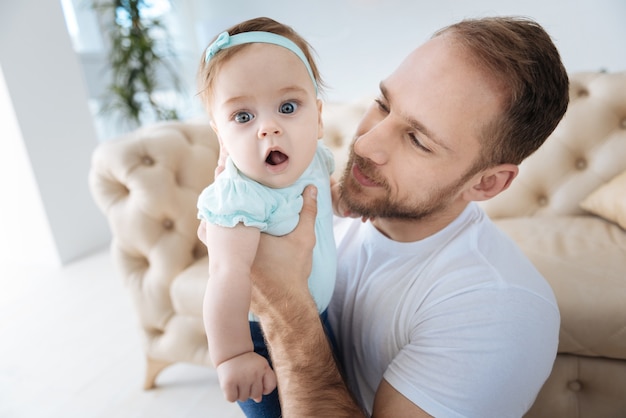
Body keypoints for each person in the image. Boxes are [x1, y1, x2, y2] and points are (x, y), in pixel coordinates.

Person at [200, 16, 569, 418]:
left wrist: (285, 305)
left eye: (417, 140)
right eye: (382, 104)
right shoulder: (316, 196)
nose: (365, 141)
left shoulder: (498, 312)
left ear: (487, 184)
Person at [195, 17, 337, 418]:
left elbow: (327, 196)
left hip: (316, 314)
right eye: (243, 117)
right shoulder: (240, 197)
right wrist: (234, 356)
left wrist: (343, 202)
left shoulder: (313, 161)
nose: (269, 128)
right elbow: (225, 276)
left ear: (319, 117)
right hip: (260, 338)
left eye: (287, 107)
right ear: (220, 135)